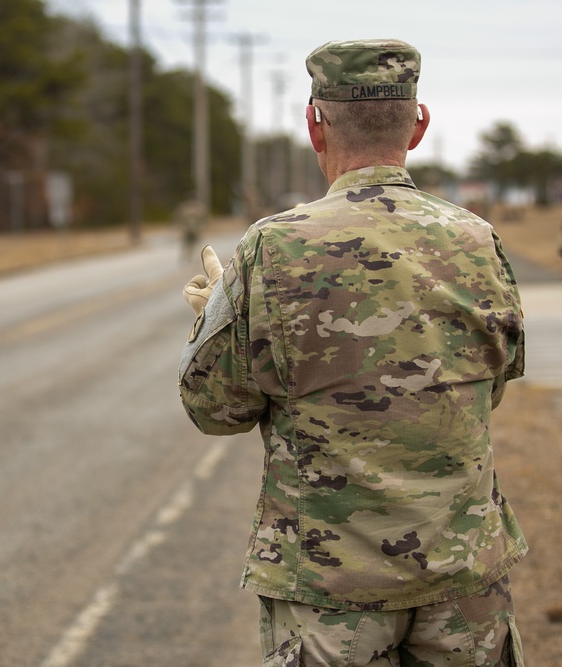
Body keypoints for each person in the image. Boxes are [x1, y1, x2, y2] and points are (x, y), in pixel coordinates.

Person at [179, 40, 526, 665]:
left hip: (331, 584)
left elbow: (216, 411)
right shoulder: (479, 241)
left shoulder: (273, 247)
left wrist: (212, 321)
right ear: (419, 124)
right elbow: (488, 391)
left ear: (314, 124)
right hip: (463, 576)